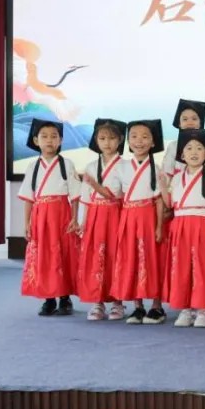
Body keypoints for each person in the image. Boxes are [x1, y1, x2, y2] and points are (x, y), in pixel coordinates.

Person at [18, 119, 81, 317]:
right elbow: (29, 198)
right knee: (44, 256)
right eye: (44, 136)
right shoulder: (32, 166)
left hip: (61, 215)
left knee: (63, 255)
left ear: (60, 140)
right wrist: (27, 223)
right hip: (40, 217)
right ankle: (49, 298)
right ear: (36, 140)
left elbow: (75, 196)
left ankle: (65, 298)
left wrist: (74, 219)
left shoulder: (66, 164)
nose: (49, 140)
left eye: (54, 136)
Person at [108, 119, 166, 325]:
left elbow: (159, 200)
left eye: (144, 137)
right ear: (128, 141)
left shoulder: (156, 168)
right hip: (129, 217)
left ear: (153, 142)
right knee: (131, 258)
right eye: (133, 136)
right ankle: (138, 305)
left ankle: (157, 306)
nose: (139, 141)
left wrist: (159, 226)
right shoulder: (121, 167)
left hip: (149, 217)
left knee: (152, 259)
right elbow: (114, 195)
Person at [162, 129, 205, 328]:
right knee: (181, 266)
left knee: (202, 266)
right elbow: (169, 203)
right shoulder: (177, 178)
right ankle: (185, 309)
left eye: (199, 148)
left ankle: (202, 310)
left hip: (201, 223)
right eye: (189, 148)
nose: (194, 152)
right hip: (181, 224)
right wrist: (163, 186)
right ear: (182, 155)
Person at [77, 118, 126, 321]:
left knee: (116, 255)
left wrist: (96, 186)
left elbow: (118, 194)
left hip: (116, 214)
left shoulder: (125, 166)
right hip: (96, 215)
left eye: (112, 138)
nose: (107, 143)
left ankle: (117, 301)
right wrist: (83, 221)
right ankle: (97, 301)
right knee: (96, 256)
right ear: (96, 140)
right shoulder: (90, 166)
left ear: (120, 140)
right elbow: (86, 198)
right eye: (102, 138)